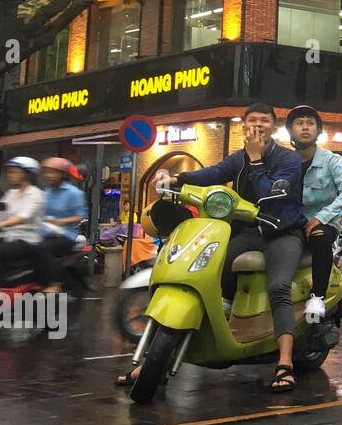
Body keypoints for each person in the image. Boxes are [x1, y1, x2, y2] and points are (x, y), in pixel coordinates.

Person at [120, 102, 308, 392]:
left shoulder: (288, 159)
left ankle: (285, 363)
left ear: (273, 126)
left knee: (278, 288)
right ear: (244, 127)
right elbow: (212, 174)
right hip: (249, 232)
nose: (257, 126)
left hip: (282, 232)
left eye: (264, 121)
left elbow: (269, 192)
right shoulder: (238, 159)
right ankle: (160, 357)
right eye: (252, 121)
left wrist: (257, 160)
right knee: (210, 271)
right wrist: (176, 179)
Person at [288, 104, 342, 325]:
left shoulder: (331, 160)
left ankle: (316, 297)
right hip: (291, 223)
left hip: (324, 222)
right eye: (299, 123)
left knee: (319, 236)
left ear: (318, 130)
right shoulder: (283, 161)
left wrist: (321, 217)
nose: (305, 127)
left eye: (310, 123)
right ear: (291, 130)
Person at [0, 157, 47, 294]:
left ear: (27, 174)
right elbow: (0, 212)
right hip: (8, 236)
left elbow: (22, 217)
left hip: (27, 239)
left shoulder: (36, 195)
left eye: (14, 172)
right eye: (9, 172)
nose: (10, 175)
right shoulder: (12, 193)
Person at [39, 157, 89, 295]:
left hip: (66, 235)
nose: (48, 175)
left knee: (42, 248)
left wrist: (60, 222)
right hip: (45, 232)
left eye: (52, 172)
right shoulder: (46, 192)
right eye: (46, 172)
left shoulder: (74, 193)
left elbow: (80, 216)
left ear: (62, 174)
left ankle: (55, 283)